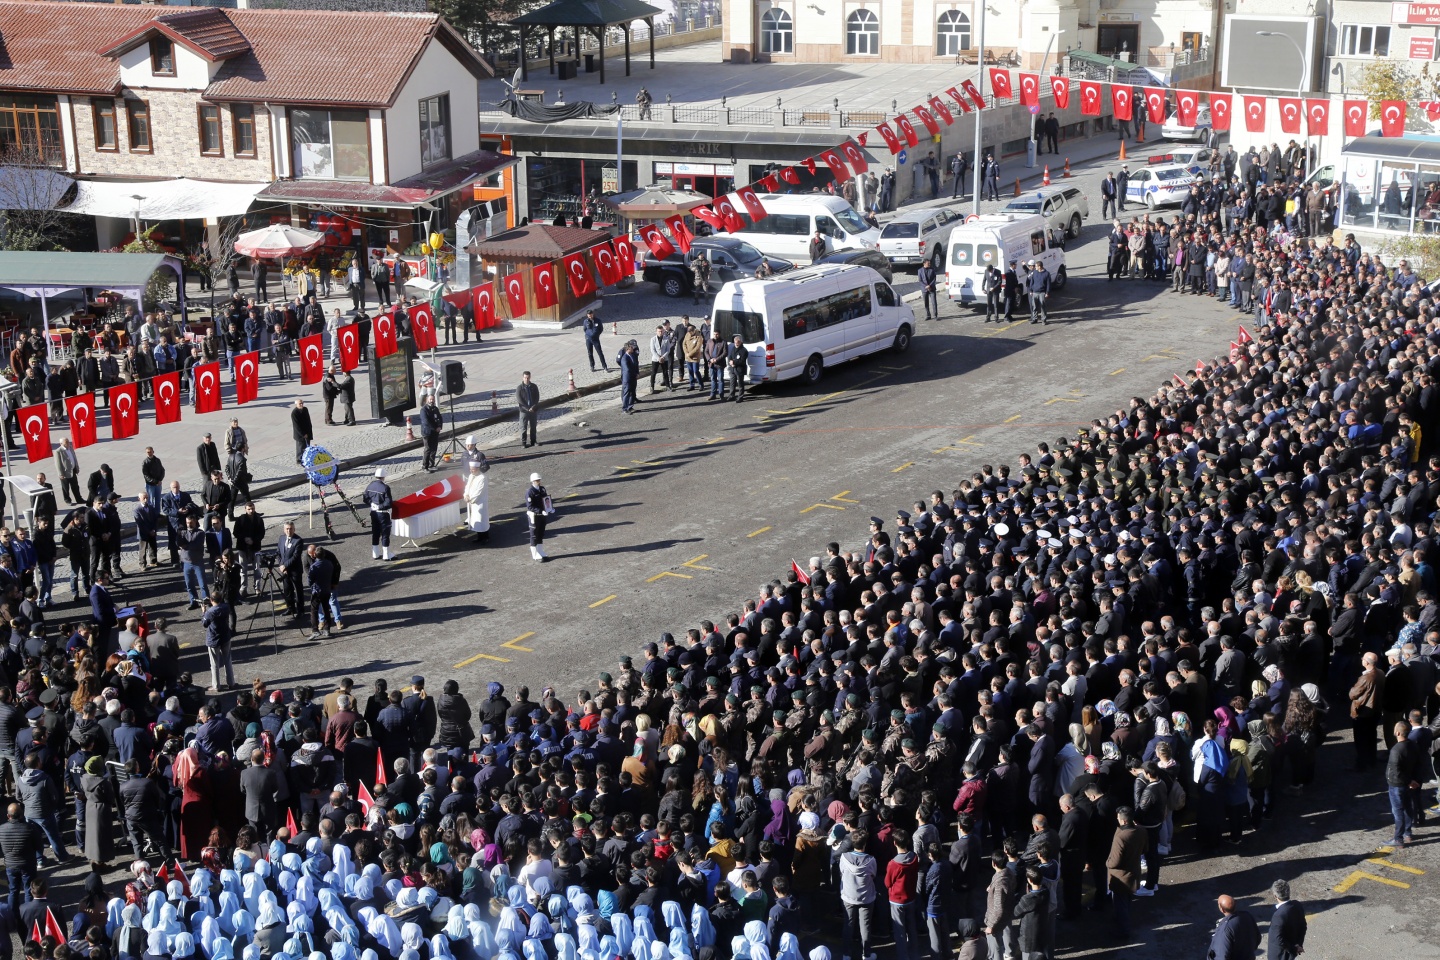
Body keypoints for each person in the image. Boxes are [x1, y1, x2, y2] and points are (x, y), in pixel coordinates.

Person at [1386, 719, 1421, 845]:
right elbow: (1418, 763)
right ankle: (1407, 833)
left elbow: (1396, 770)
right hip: (1407, 783)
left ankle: (1398, 839)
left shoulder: (1396, 750)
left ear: (1398, 733)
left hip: (1397, 784)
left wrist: (1409, 781)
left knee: (1398, 812)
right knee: (1407, 808)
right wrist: (1413, 780)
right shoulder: (1412, 745)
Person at [1208, 895, 1260, 960]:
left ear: (1222, 909)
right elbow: (1257, 938)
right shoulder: (1247, 916)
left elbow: (1222, 955)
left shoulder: (1225, 930)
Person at [1268, 879, 1306, 960]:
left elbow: (1278, 939)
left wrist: (1294, 948)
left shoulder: (1278, 915)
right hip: (1293, 949)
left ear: (1275, 896)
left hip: (1281, 955)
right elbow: (1303, 926)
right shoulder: (1297, 905)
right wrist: (1298, 945)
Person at [276, 520, 306, 621]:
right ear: (284, 530)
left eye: (291, 529)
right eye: (287, 529)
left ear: (294, 529)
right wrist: (281, 565)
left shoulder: (298, 540)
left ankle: (301, 610)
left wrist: (285, 565)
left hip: (295, 571)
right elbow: (278, 553)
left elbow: (295, 557)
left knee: (298, 590)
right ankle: (290, 608)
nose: (289, 531)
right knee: (287, 590)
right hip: (285, 571)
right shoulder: (281, 538)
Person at [362, 468, 394, 561]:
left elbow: (365, 498)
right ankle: (386, 555)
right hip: (383, 513)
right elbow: (388, 503)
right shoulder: (385, 487)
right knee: (385, 533)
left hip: (373, 513)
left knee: (375, 532)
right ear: (384, 476)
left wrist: (371, 504)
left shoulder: (370, 485)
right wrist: (379, 506)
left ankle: (375, 553)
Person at [525, 472, 553, 562]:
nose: (538, 482)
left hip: (542, 516)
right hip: (534, 516)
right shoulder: (530, 492)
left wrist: (550, 508)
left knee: (541, 533)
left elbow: (546, 500)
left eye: (539, 480)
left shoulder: (542, 489)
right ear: (532, 481)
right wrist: (541, 511)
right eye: (537, 480)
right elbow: (530, 506)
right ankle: (534, 554)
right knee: (534, 535)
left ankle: (540, 551)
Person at [464, 456, 490, 545]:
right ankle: (479, 536)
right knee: (475, 519)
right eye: (470, 469)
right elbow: (467, 486)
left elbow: (479, 491)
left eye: (473, 469)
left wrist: (471, 499)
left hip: (479, 502)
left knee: (482, 519)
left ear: (477, 468)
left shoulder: (482, 478)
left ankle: (485, 537)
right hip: (472, 502)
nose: (471, 471)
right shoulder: (471, 476)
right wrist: (466, 494)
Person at [419, 393, 444, 471]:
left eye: (433, 399)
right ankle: (425, 467)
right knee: (428, 449)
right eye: (430, 399)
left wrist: (440, 426)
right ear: (427, 400)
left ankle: (431, 464)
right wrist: (435, 428)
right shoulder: (423, 410)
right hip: (427, 433)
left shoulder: (435, 409)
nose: (431, 401)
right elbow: (426, 422)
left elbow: (440, 418)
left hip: (435, 433)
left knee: (434, 449)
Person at [516, 370, 540, 448]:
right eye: (525, 378)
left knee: (533, 426)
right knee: (523, 427)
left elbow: (537, 397)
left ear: (530, 377)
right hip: (524, 411)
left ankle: (533, 441)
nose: (526, 379)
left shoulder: (534, 386)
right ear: (523, 378)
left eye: (528, 378)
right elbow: (520, 400)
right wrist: (527, 408)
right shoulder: (519, 388)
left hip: (533, 410)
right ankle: (523, 442)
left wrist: (533, 407)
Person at [1025, 259, 1052, 325]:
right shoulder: (1035, 272)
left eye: (1036, 266)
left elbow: (1048, 284)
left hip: (1042, 292)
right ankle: (1034, 319)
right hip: (1035, 292)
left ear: (1039, 267)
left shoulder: (1046, 274)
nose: (1035, 267)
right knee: (1034, 306)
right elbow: (1032, 282)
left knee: (1043, 307)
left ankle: (1043, 320)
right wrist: (1031, 290)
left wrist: (1047, 292)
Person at [56, 438, 81, 505]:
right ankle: (67, 500)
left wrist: (77, 467)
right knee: (65, 488)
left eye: (68, 442)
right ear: (61, 444)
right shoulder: (58, 451)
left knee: (75, 486)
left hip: (73, 470)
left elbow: (74, 458)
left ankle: (79, 499)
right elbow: (58, 464)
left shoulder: (70, 448)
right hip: (65, 473)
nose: (68, 443)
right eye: (66, 442)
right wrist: (60, 474)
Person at [618, 339, 639, 414]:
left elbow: (636, 364)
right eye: (631, 347)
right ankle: (625, 408)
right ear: (628, 349)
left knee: (632, 392)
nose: (633, 348)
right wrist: (634, 373)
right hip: (627, 378)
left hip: (633, 377)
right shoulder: (624, 358)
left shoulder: (633, 355)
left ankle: (630, 406)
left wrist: (637, 373)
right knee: (626, 393)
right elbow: (627, 369)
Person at [727, 334, 749, 403]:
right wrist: (730, 362)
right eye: (735, 342)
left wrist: (734, 362)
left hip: (740, 369)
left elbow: (742, 361)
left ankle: (740, 396)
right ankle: (731, 395)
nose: (736, 344)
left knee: (740, 384)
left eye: (737, 342)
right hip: (732, 369)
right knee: (732, 383)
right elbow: (730, 356)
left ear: (740, 342)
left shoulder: (744, 350)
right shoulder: (733, 348)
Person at [290, 398, 313, 465]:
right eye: (300, 403)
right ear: (296, 404)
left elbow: (308, 420)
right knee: (300, 447)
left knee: (307, 446)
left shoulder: (305, 409)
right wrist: (303, 434)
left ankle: (306, 458)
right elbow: (296, 426)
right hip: (300, 434)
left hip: (307, 431)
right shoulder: (294, 413)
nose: (301, 405)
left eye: (302, 403)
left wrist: (308, 431)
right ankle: (299, 460)